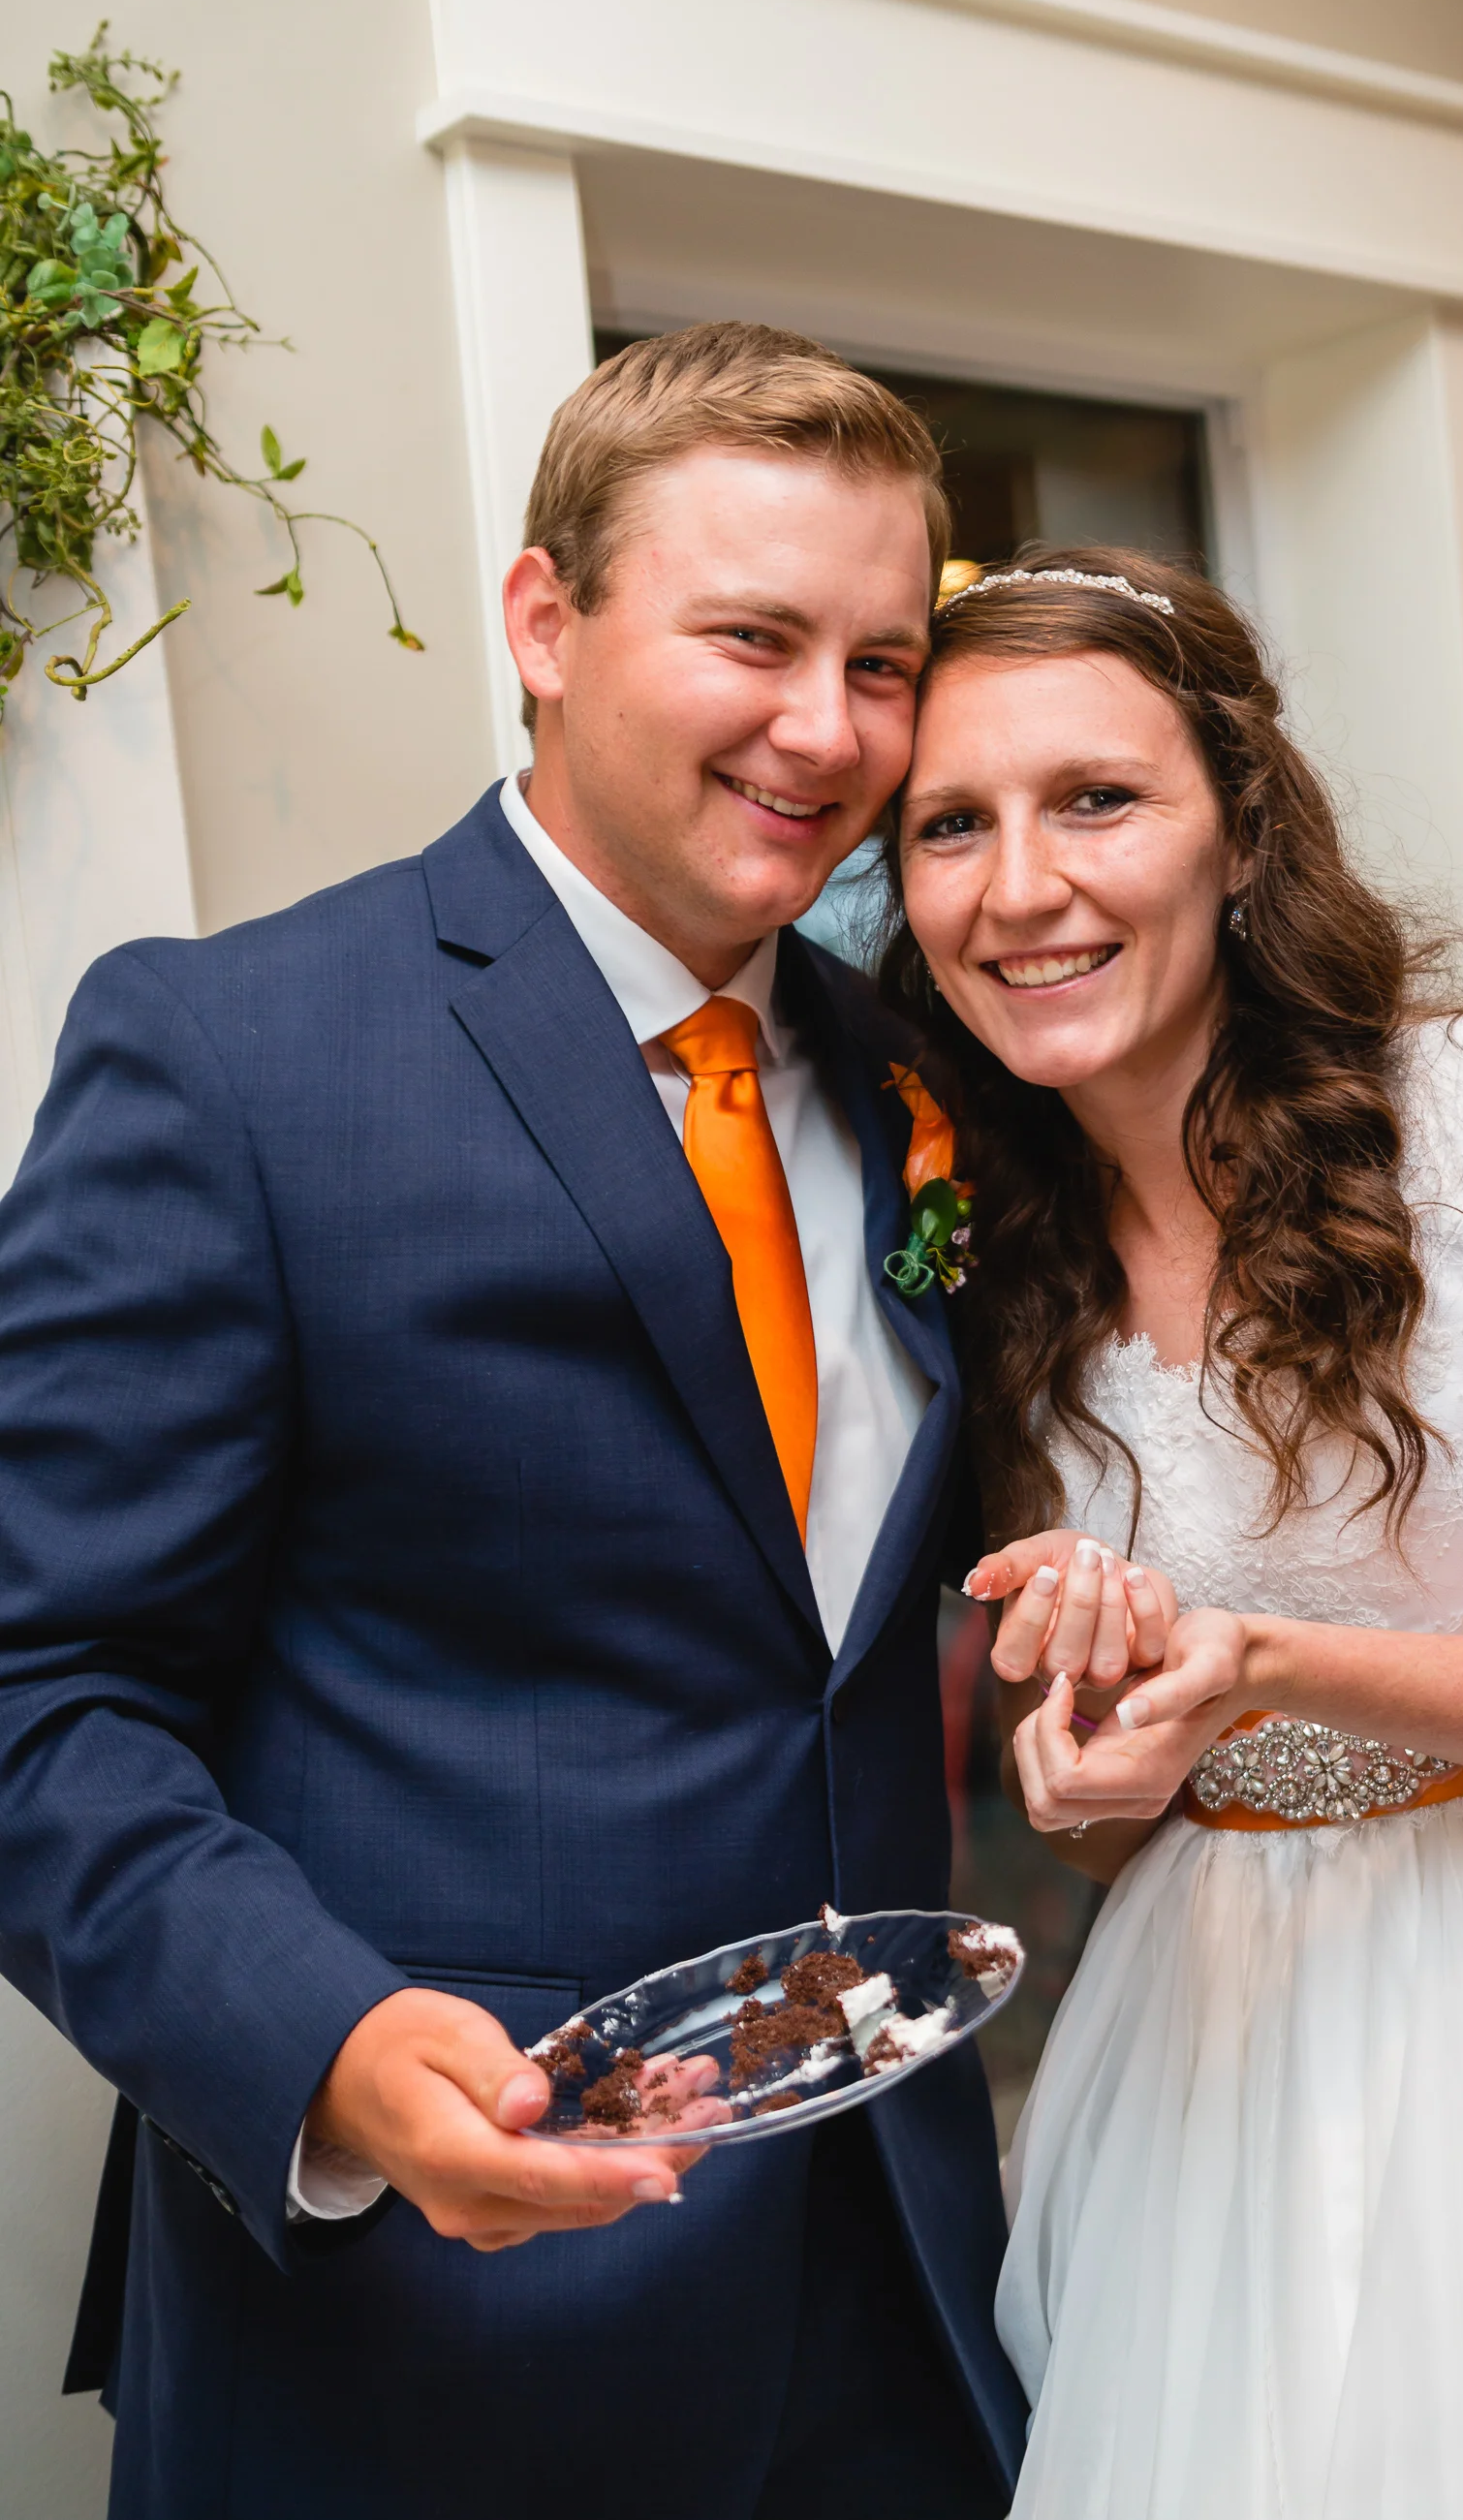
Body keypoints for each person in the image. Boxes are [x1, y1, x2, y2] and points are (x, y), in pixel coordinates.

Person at [0, 325, 1024, 2517]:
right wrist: (333, 2049)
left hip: (906, 2293)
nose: (827, 729)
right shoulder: (233, 1054)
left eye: (881, 663)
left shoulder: (928, 1074)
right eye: (751, 639)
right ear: (546, 624)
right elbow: (40, 1690)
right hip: (430, 2321)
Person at [884, 545, 1463, 2518]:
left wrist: (1277, 1668)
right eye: (951, 825)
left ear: (1240, 826)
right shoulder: (983, 1262)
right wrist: (1092, 1758)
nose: (1020, 886)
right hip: (1231, 2071)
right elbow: (1121, 1822)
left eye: (1096, 798)